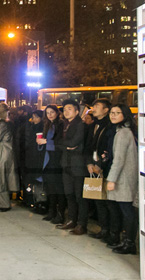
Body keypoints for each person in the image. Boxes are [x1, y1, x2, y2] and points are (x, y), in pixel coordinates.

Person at [104, 104, 138, 255]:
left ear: (125, 115)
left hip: (123, 177)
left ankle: (129, 242)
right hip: (123, 176)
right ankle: (125, 241)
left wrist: (111, 179)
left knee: (126, 210)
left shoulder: (123, 132)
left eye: (117, 113)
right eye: (112, 113)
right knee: (124, 210)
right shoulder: (122, 131)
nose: (113, 115)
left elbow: (119, 159)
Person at [86, 99, 118, 242]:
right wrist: (89, 163)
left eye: (97, 106)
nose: (94, 108)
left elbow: (109, 149)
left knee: (107, 202)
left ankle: (112, 232)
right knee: (98, 200)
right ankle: (103, 228)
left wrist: (100, 164)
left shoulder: (110, 127)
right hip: (93, 166)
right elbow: (88, 146)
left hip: (105, 167)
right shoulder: (94, 125)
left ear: (106, 110)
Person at [57, 99, 87, 235]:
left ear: (76, 111)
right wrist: (66, 145)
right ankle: (71, 220)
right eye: (64, 109)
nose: (66, 111)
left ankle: (81, 224)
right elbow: (59, 143)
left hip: (78, 164)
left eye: (69, 109)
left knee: (79, 196)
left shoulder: (80, 125)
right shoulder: (65, 125)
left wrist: (66, 145)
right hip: (66, 163)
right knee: (69, 194)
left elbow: (75, 142)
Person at [40, 105, 65, 224]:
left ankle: (60, 214)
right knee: (50, 187)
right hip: (49, 158)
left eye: (52, 112)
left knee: (58, 188)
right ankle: (52, 211)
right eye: (47, 112)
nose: (49, 115)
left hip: (57, 159)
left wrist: (46, 142)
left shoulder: (60, 124)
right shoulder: (48, 125)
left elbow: (60, 142)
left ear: (57, 112)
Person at [24, 109, 47, 213]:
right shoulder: (31, 127)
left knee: (38, 181)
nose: (34, 119)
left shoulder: (43, 128)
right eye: (33, 117)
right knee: (32, 181)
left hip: (38, 157)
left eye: (37, 117)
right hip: (31, 156)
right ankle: (33, 201)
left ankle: (41, 203)